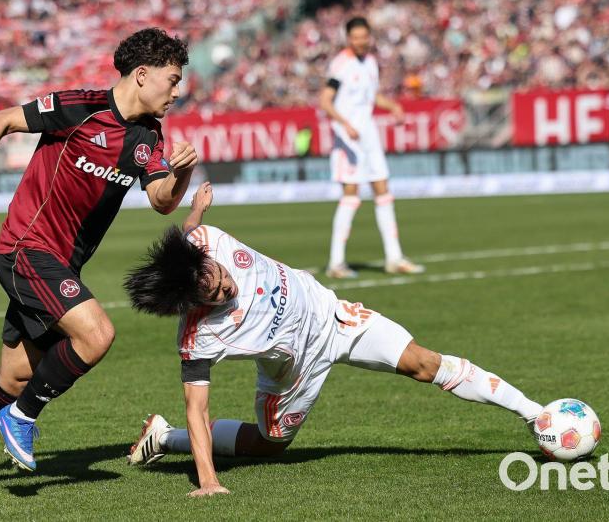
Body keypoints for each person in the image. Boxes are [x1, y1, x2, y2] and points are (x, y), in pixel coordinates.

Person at [123, 182, 542, 497]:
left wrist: (197, 207)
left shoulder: (204, 242)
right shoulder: (198, 337)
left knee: (422, 362)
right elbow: (197, 409)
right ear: (191, 303)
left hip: (334, 316)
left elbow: (189, 232)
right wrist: (208, 482)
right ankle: (164, 437)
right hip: (295, 373)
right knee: (268, 447)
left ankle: (535, 415)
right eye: (213, 295)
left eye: (219, 277)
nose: (225, 288)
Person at [0, 28, 197, 492]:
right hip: (26, 248)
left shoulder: (150, 136)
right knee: (97, 334)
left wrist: (182, 173)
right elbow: (2, 120)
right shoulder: (79, 107)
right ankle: (22, 417)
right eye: (173, 79)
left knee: (14, 375)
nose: (177, 91)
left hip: (60, 265)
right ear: (142, 75)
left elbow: (162, 201)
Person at [319, 17, 423, 279]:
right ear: (348, 39)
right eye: (355, 37)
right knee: (351, 195)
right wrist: (345, 124)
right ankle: (336, 263)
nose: (360, 41)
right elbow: (325, 101)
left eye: (364, 36)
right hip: (348, 137)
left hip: (368, 135)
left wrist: (393, 106)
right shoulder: (341, 64)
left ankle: (394, 258)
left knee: (383, 190)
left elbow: (371, 96)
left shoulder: (371, 63)